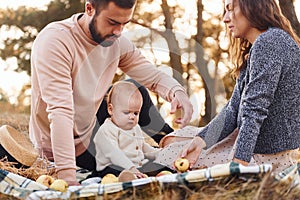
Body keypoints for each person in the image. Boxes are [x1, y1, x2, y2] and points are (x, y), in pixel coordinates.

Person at [29, 0, 193, 185]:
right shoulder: (55, 41)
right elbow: (61, 112)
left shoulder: (116, 41)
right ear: (89, 8)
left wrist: (176, 92)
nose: (119, 32)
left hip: (91, 125)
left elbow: (152, 76)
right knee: (139, 173)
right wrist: (67, 176)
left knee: (133, 89)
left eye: (124, 24)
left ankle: (170, 142)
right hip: (61, 141)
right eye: (113, 22)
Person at [155, 0, 300, 174]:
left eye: (230, 9)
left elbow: (254, 110)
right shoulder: (263, 44)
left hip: (264, 156)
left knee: (167, 154)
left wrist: (237, 165)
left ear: (252, 6)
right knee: (172, 140)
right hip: (250, 143)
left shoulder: (270, 43)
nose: (225, 19)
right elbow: (233, 109)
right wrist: (201, 142)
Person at [91, 81, 173, 179]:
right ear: (110, 110)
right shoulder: (106, 130)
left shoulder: (134, 127)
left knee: (160, 165)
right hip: (113, 165)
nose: (132, 117)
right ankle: (128, 179)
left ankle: (167, 171)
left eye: (136, 113)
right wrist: (131, 168)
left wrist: (160, 153)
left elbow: (143, 148)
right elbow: (114, 154)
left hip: (137, 166)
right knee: (114, 171)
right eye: (126, 112)